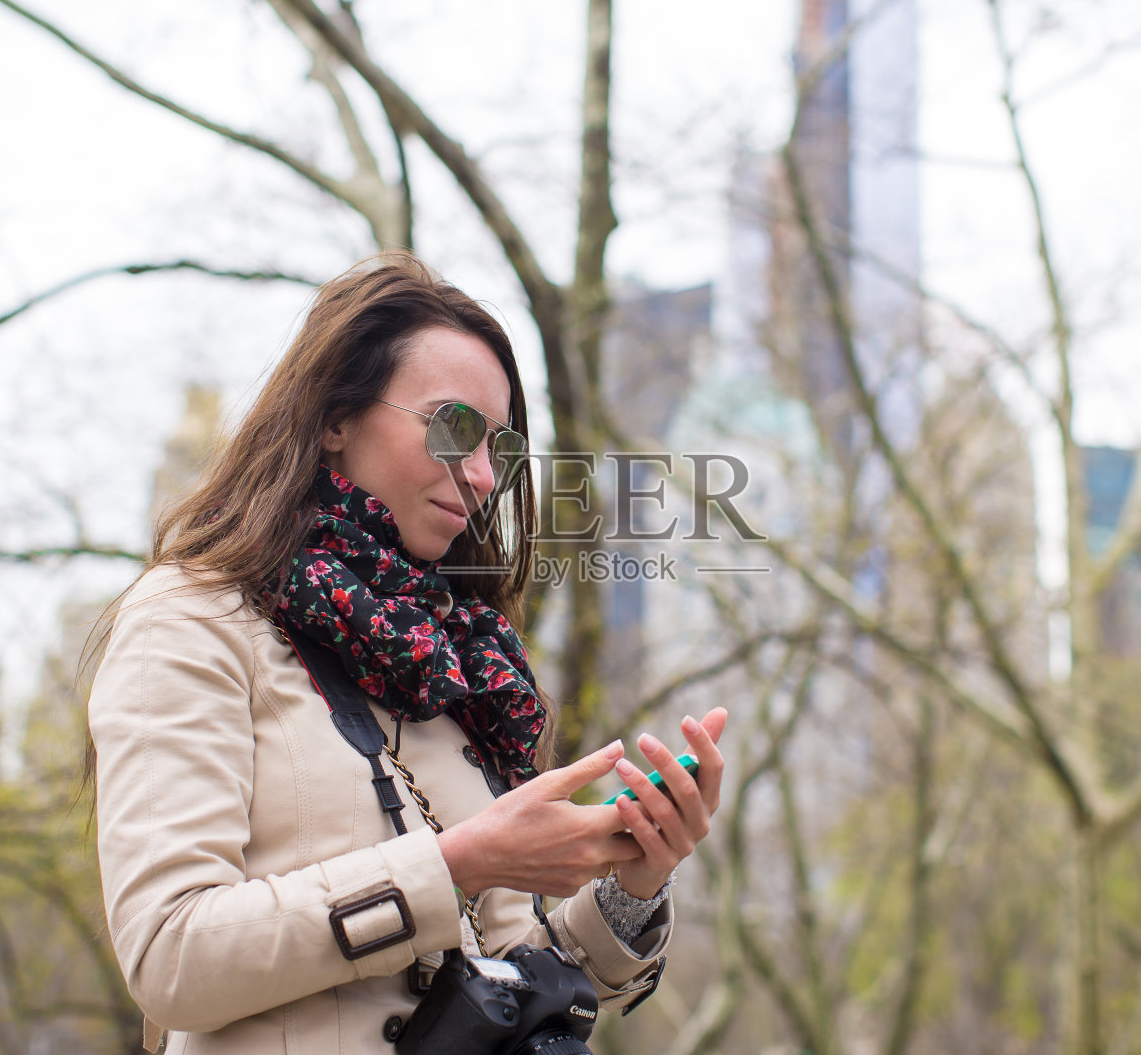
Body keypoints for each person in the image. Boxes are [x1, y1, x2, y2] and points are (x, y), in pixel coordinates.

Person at [88, 252, 726, 1054]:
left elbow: (500, 974)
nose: (483, 475)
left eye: (500, 448)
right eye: (453, 427)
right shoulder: (192, 617)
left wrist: (636, 876)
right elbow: (171, 954)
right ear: (335, 417)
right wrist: (457, 863)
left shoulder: (462, 663)